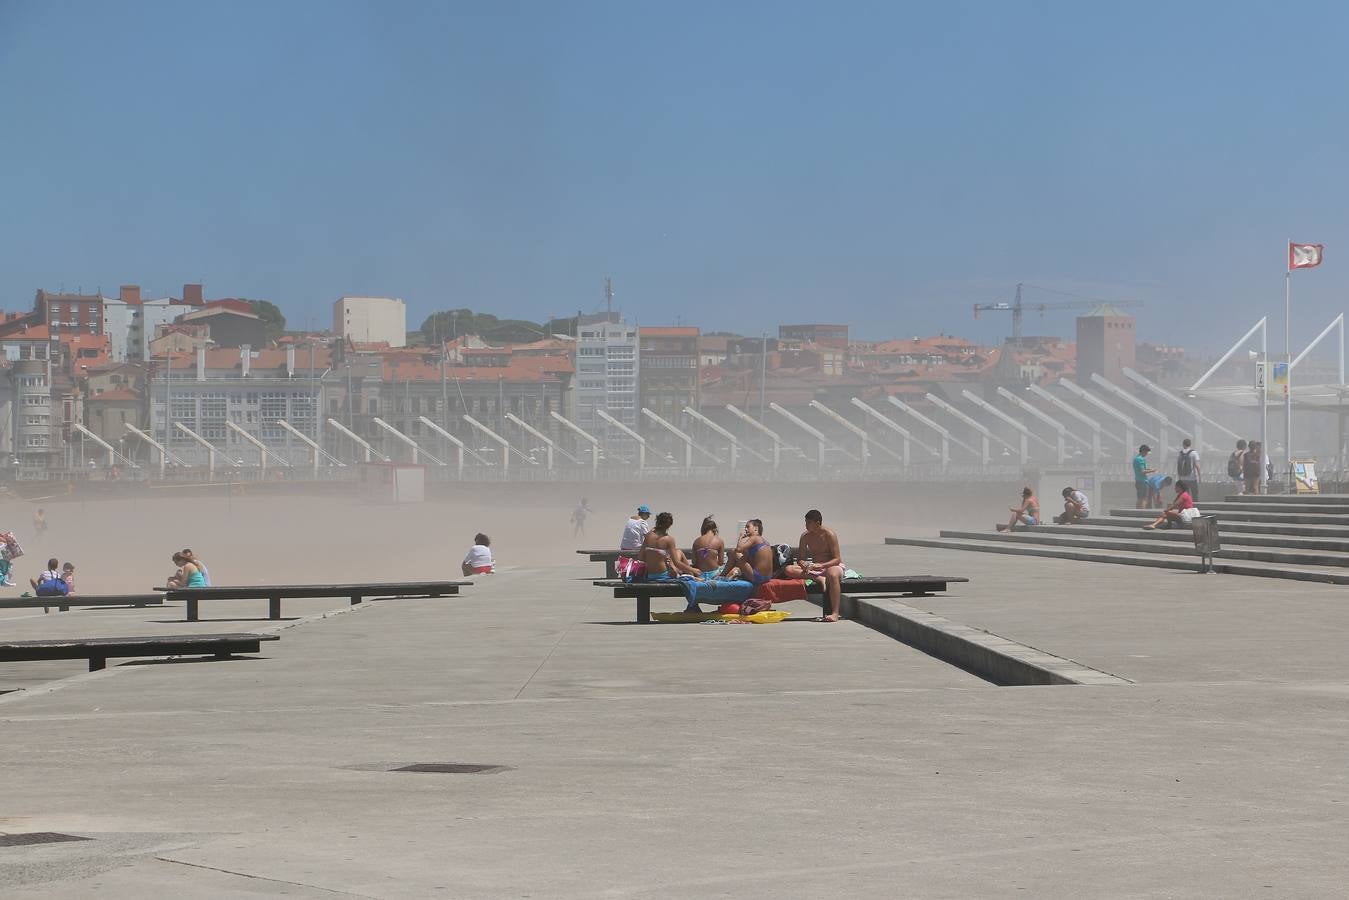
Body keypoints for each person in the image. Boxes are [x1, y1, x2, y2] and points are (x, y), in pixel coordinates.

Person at [794, 509, 845, 623]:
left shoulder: (829, 534)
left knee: (832, 574)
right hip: (816, 570)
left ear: (817, 523)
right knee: (788, 569)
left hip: (831, 566)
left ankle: (835, 613)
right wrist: (803, 564)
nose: (806, 525)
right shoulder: (805, 536)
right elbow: (800, 558)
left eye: (809, 522)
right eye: (805, 522)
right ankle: (818, 578)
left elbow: (837, 559)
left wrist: (822, 565)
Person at [639, 512, 699, 581]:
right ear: (669, 526)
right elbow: (677, 563)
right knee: (679, 553)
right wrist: (693, 569)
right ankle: (693, 576)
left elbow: (640, 557)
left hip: (649, 575)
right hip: (663, 575)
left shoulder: (648, 536)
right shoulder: (669, 539)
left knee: (675, 556)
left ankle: (693, 576)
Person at [725, 518, 775, 586]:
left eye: (748, 527)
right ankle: (733, 574)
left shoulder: (754, 538)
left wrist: (740, 538)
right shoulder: (765, 542)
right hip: (768, 577)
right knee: (744, 555)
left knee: (733, 552)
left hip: (757, 577)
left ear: (756, 528)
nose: (745, 529)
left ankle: (721, 575)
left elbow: (738, 549)